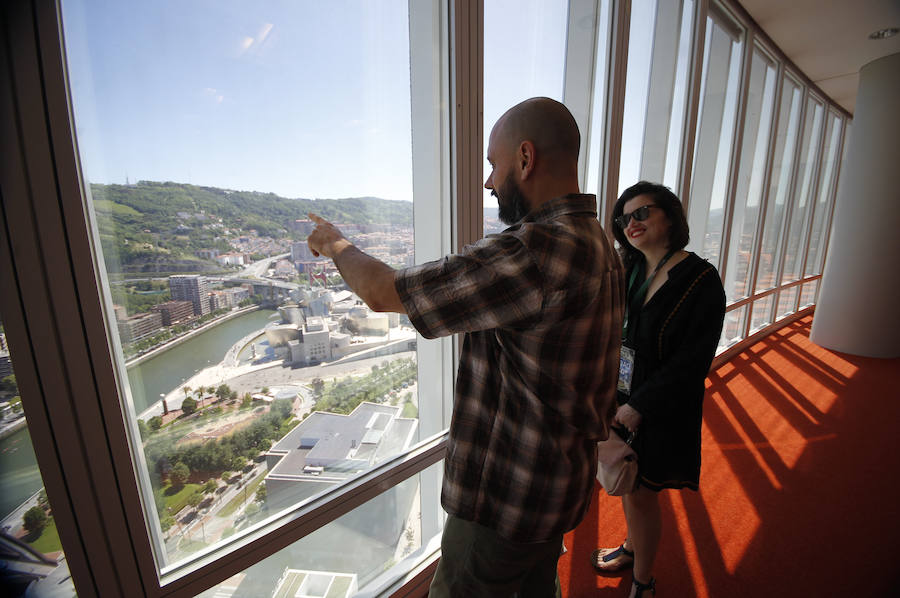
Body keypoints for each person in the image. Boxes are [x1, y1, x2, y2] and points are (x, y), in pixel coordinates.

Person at [307, 97, 624, 598]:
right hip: (558, 482)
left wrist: (335, 244)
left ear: (525, 158)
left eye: (494, 165)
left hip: (506, 499)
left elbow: (383, 292)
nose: (488, 181)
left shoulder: (534, 251)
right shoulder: (599, 241)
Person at [589, 181, 725, 597]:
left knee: (642, 492)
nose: (631, 223)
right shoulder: (628, 268)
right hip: (623, 395)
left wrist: (640, 406)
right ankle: (633, 546)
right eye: (624, 217)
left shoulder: (701, 279)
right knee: (630, 485)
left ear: (670, 215)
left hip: (661, 405)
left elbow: (692, 360)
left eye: (642, 213)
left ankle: (643, 583)